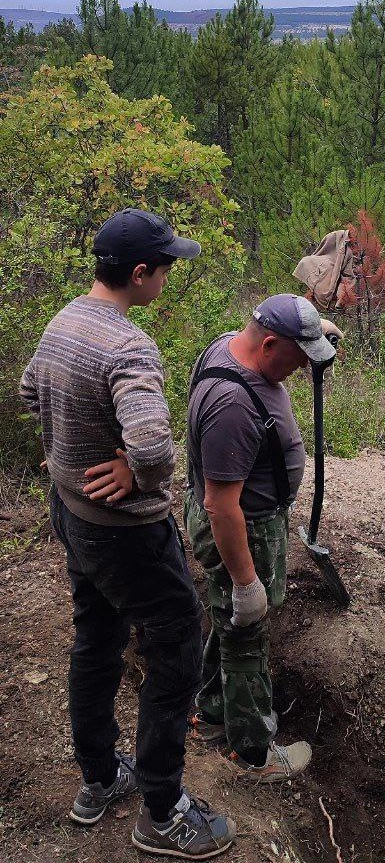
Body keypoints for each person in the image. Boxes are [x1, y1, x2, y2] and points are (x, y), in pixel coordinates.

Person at [19, 208, 236, 859]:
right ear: (141, 274)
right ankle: (164, 810)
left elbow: (32, 390)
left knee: (97, 638)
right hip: (127, 533)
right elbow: (152, 445)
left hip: (74, 516)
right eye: (166, 266)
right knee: (176, 644)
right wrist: (134, 463)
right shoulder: (127, 345)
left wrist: (67, 443)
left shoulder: (64, 321)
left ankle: (98, 776)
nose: (169, 275)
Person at [184, 294, 340, 781]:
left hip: (252, 518)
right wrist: (247, 580)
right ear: (270, 343)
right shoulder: (233, 405)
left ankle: (211, 711)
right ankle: (252, 751)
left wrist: (314, 332)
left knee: (231, 618)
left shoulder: (230, 345)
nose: (298, 370)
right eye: (296, 359)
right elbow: (220, 506)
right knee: (248, 630)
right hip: (241, 529)